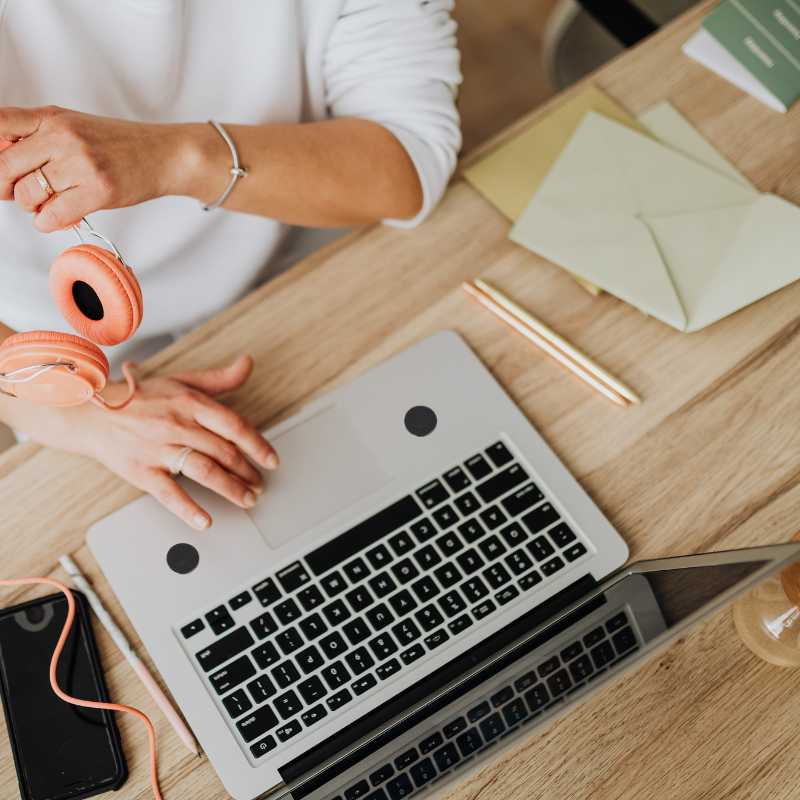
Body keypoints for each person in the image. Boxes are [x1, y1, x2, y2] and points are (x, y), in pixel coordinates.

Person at [0, 0, 461, 530]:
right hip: (64, 375)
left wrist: (177, 157)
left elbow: (407, 163)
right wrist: (83, 421)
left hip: (300, 273)